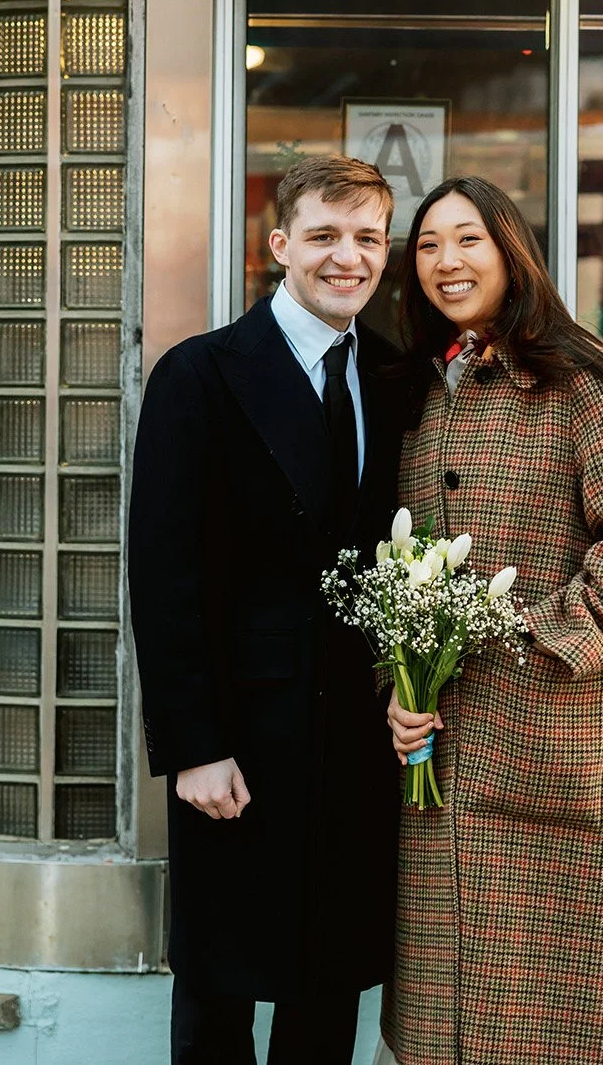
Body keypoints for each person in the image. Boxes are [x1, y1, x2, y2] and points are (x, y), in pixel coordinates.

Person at [376, 176, 603, 1065]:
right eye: (428, 245)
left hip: (556, 741)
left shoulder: (581, 383)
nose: (447, 262)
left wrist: (510, 638)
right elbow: (403, 577)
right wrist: (402, 688)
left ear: (512, 251)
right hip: (441, 761)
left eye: (468, 240)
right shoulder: (421, 393)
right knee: (447, 1023)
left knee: (564, 1027)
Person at [128, 154, 402, 1065]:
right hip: (239, 737)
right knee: (221, 989)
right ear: (278, 244)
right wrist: (193, 746)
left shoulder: (395, 376)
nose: (346, 258)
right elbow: (164, 575)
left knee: (327, 990)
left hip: (353, 742)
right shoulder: (201, 374)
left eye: (367, 238)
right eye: (324, 235)